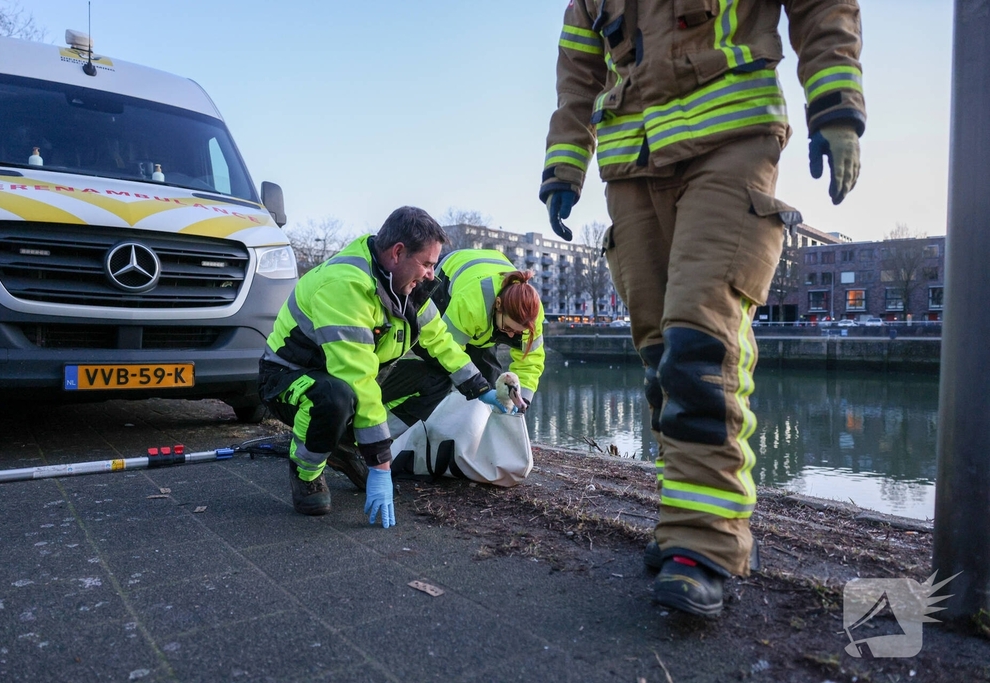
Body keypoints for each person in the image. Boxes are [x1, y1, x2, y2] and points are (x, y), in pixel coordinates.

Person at [540, 1, 865, 616]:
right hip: (632, 163)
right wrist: (563, 164)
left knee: (700, 347)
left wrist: (836, 103)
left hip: (729, 143)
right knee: (663, 359)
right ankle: (683, 519)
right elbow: (577, 72)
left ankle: (705, 542)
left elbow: (823, 7)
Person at [258, 207, 508, 528]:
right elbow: (357, 376)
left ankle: (346, 445)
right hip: (289, 380)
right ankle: (306, 471)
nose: (433, 274)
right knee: (335, 396)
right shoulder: (345, 286)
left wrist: (480, 388)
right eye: (428, 264)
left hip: (348, 380)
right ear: (397, 253)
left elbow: (442, 343)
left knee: (436, 380)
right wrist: (380, 466)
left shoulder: (409, 289)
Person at [379, 248, 546, 437]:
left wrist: (522, 401)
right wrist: (474, 387)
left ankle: (480, 440)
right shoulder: (471, 303)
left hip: (484, 316)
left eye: (518, 333)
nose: (510, 336)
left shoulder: (532, 314)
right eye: (508, 328)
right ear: (498, 305)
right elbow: (447, 350)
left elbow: (531, 362)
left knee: (490, 382)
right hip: (446, 287)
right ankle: (406, 434)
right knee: (441, 379)